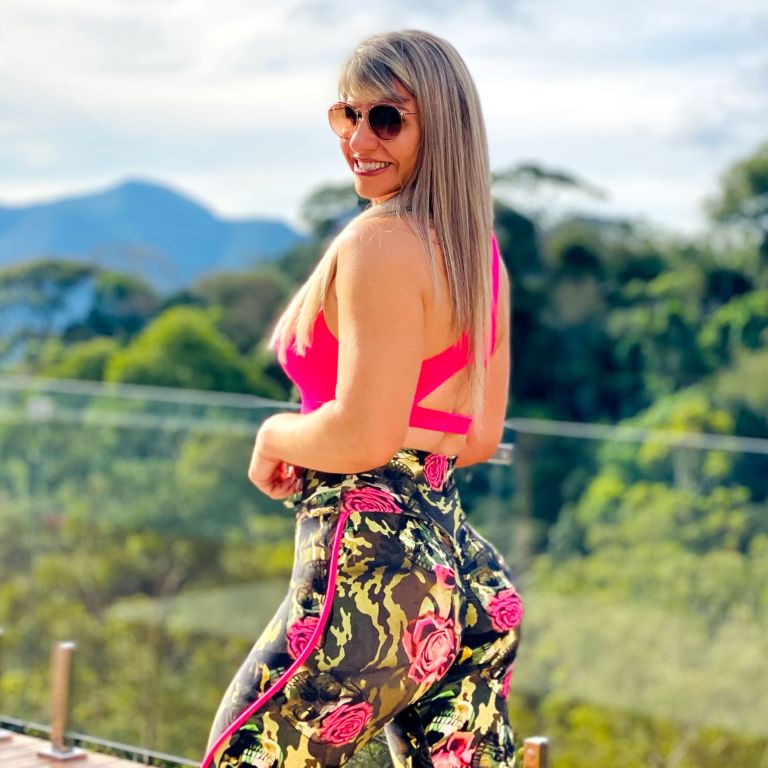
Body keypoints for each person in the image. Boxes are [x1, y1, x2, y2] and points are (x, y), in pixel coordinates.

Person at [202, 29, 522, 768]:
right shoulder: (480, 259)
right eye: (347, 113)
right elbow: (476, 438)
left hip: (371, 584)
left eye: (387, 118)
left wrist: (275, 434)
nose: (358, 138)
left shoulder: (378, 243)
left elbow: (363, 437)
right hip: (465, 579)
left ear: (441, 128)